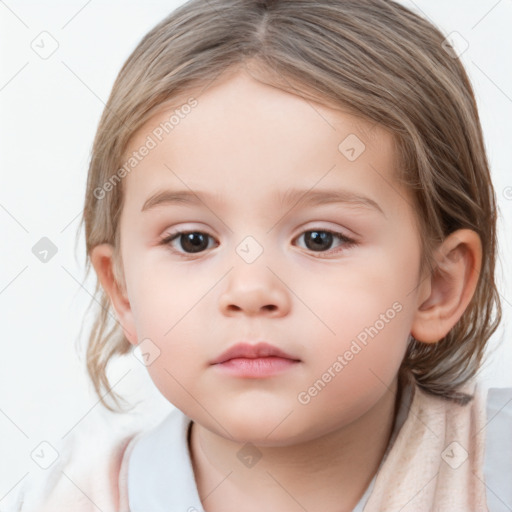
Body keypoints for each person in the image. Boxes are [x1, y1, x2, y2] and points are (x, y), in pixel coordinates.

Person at [6, 0, 511, 510]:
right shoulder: (71, 498)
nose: (249, 291)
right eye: (192, 241)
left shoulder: (494, 472)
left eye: (320, 239)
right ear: (123, 292)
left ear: (439, 286)